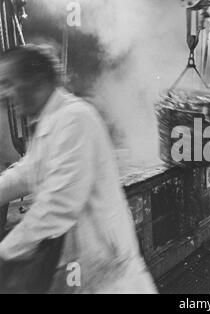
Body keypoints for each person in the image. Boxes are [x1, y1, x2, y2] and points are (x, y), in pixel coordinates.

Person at [0, 45, 158, 293]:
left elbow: (58, 205)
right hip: (84, 273)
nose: (4, 93)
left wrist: (6, 251)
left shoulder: (74, 118)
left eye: (9, 83)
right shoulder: (48, 122)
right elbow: (27, 171)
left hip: (110, 277)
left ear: (36, 80)